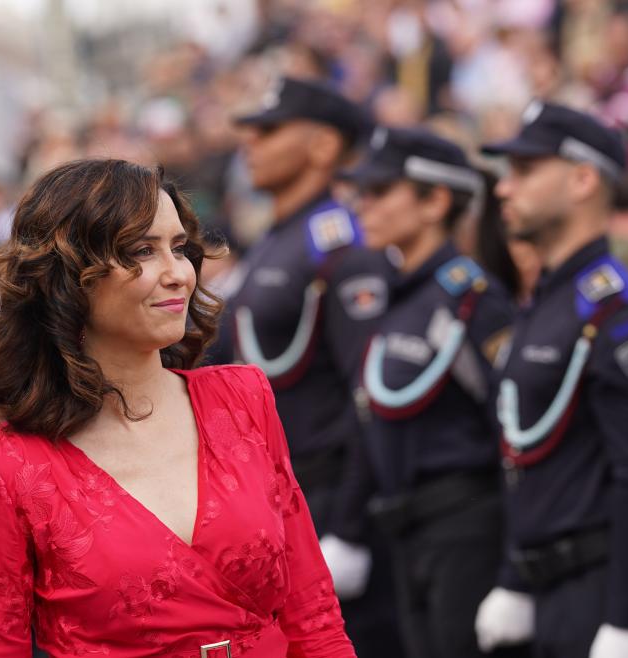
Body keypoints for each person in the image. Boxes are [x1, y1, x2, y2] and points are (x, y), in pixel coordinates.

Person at [0, 158, 356, 657]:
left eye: (179, 248)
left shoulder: (242, 398)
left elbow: (312, 614)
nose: (178, 274)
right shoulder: (1, 467)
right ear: (70, 277)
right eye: (143, 250)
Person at [480, 100, 628, 658]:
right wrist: (516, 575)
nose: (506, 189)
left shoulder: (613, 310)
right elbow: (527, 464)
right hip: (557, 588)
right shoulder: (551, 300)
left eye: (526, 171)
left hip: (607, 593)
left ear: (582, 180)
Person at [332, 126, 529, 657]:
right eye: (361, 192)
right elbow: (370, 418)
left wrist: (516, 570)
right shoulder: (398, 293)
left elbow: (514, 435)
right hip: (405, 531)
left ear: (434, 201)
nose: (362, 205)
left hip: (466, 529)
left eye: (379, 192)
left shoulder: (472, 300)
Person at [228, 76, 401, 656]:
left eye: (269, 130)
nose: (249, 141)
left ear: (324, 146)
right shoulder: (278, 239)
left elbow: (370, 394)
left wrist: (349, 528)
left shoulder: (339, 244)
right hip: (277, 499)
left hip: (328, 500)